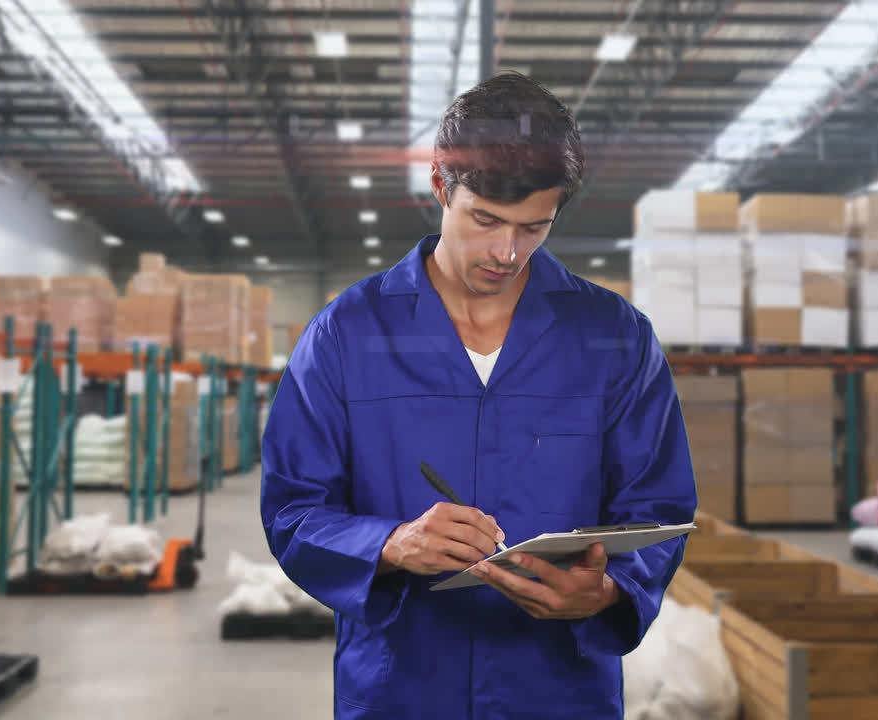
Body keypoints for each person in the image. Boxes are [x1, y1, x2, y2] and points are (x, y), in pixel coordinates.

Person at [260, 72, 697, 719]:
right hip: (398, 687)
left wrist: (608, 590)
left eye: (532, 227)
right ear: (441, 184)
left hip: (558, 689)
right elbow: (294, 509)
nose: (505, 252)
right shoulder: (347, 335)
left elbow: (657, 504)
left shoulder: (614, 338)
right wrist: (389, 544)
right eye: (485, 219)